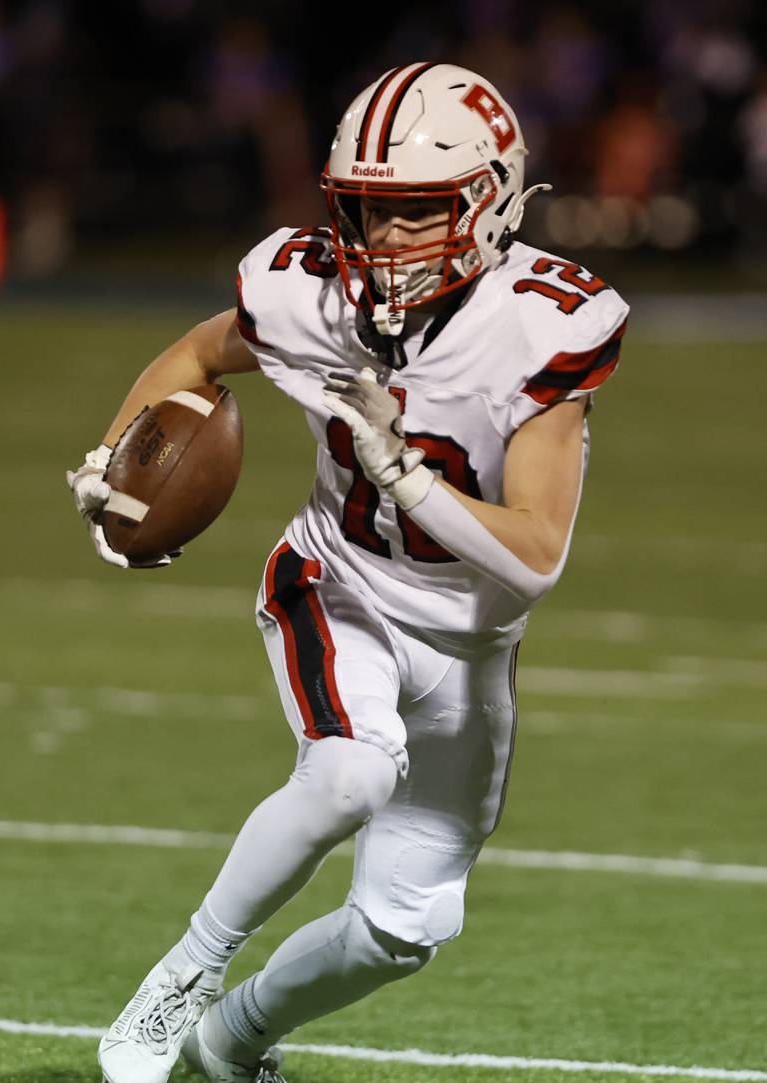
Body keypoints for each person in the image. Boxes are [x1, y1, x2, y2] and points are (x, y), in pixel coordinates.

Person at [67, 62, 628, 1083]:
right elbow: (195, 356)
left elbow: (537, 557)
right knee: (348, 772)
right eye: (363, 211)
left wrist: (405, 477)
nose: (379, 241)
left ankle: (228, 1040)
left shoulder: (540, 323)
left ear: (487, 201)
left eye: (412, 214)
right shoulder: (307, 290)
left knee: (403, 927)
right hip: (339, 586)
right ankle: (180, 981)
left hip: (469, 644)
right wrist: (118, 469)